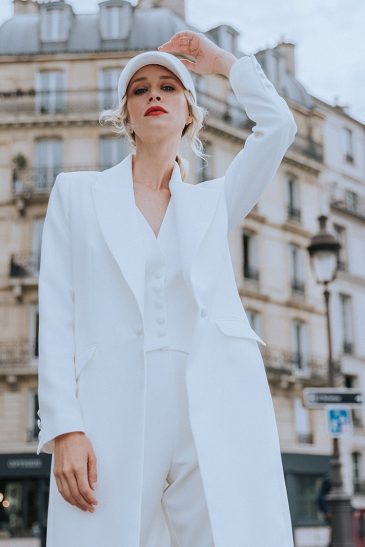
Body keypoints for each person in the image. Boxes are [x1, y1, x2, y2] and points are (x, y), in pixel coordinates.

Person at [37, 30, 297, 546]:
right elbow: (57, 311)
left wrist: (223, 62)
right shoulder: (77, 194)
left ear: (189, 113)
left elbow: (278, 126)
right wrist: (64, 427)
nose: (154, 95)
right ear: (125, 114)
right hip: (110, 407)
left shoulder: (212, 203)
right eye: (139, 90)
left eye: (168, 87)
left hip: (212, 403)